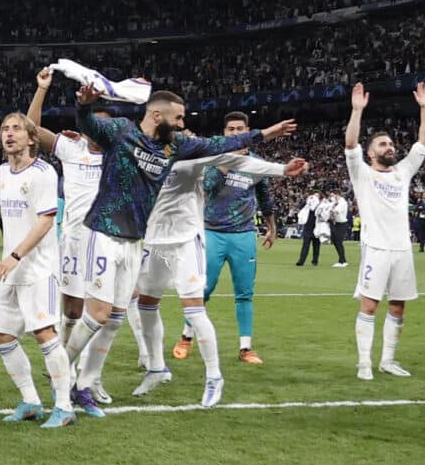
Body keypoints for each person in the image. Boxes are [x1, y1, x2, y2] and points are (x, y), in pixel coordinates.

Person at [64, 85, 295, 417]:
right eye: (180, 117)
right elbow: (92, 126)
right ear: (158, 115)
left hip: (181, 240)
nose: (184, 124)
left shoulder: (182, 149)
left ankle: (212, 376)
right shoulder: (126, 134)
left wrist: (273, 153)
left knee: (174, 311)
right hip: (134, 237)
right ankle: (136, 368)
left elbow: (227, 151)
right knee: (131, 310)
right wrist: (83, 106)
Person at [138, 150, 305, 405]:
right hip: (156, 239)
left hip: (197, 238)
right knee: (146, 305)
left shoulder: (194, 153)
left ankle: (216, 374)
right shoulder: (147, 151)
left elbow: (246, 172)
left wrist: (281, 169)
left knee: (202, 305)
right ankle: (158, 368)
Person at [0, 113, 75, 429]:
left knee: (44, 333)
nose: (9, 134)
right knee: (2, 334)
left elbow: (44, 220)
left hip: (38, 268)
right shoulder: (2, 172)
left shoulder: (44, 173)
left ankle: (64, 406)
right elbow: (6, 208)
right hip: (12, 270)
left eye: (16, 129)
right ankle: (31, 401)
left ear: (31, 138)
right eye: (4, 129)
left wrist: (14, 256)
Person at [26, 68, 116, 399]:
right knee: (73, 312)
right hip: (75, 243)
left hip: (109, 242)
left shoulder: (118, 156)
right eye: (95, 123)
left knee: (106, 316)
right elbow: (31, 129)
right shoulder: (71, 149)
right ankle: (63, 370)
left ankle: (90, 378)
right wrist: (42, 89)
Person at [345, 81, 425, 381]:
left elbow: (423, 144)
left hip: (402, 250)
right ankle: (364, 363)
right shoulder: (362, 174)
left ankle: (388, 361)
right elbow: (350, 145)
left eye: (391, 143)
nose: (390, 147)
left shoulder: (402, 172)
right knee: (369, 305)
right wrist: (357, 112)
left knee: (398, 307)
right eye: (382, 144)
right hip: (376, 249)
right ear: (370, 153)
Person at [195, 111, 284, 365]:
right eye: (231, 129)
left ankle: (246, 347)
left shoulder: (257, 163)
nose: (235, 133)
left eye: (239, 129)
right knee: (203, 289)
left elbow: (265, 196)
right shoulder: (212, 159)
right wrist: (229, 161)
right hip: (212, 231)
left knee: (244, 293)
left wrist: (271, 225)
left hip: (243, 234)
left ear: (247, 131)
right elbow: (207, 186)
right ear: (224, 133)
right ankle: (187, 335)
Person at [329, 190, 351, 268]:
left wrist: (329, 209)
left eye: (333, 195)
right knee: (335, 241)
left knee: (338, 241)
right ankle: (342, 260)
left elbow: (336, 211)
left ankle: (342, 261)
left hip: (342, 224)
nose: (332, 197)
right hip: (336, 223)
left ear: (337, 195)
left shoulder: (342, 202)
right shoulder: (336, 202)